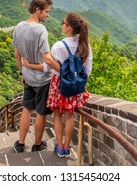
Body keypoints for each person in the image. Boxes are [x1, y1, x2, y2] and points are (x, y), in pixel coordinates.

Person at [22, 12, 92, 158]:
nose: (62, 24)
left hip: (59, 84)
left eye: (63, 23)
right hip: (75, 86)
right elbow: (87, 71)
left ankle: (60, 147)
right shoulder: (85, 46)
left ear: (69, 28)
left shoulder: (58, 46)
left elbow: (47, 68)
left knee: (58, 115)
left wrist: (29, 65)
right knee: (70, 115)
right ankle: (67, 147)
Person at [12, 0, 58, 153]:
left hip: (28, 77)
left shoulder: (18, 27)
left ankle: (20, 143)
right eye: (46, 11)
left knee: (26, 108)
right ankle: (37, 145)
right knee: (41, 112)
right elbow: (47, 58)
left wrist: (22, 72)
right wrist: (61, 69)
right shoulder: (40, 30)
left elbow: (17, 55)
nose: (48, 15)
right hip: (42, 79)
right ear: (37, 10)